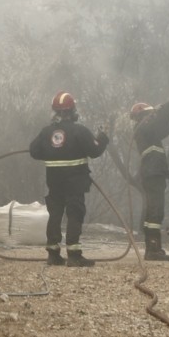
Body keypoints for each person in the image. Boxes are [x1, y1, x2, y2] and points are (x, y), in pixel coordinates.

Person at [28, 92, 108, 266]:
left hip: (54, 182)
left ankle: (53, 254)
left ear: (54, 111)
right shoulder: (79, 131)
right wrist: (103, 138)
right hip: (75, 181)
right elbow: (94, 151)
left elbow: (34, 151)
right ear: (72, 110)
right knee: (74, 214)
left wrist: (51, 150)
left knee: (55, 214)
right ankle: (74, 255)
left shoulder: (47, 132)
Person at [130, 88, 169, 261]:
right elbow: (156, 121)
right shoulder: (142, 127)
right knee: (155, 211)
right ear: (144, 116)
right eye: (149, 114)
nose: (152, 116)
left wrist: (163, 111)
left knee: (154, 211)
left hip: (154, 172)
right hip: (153, 172)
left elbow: (165, 127)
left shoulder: (147, 130)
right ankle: (153, 250)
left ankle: (153, 248)